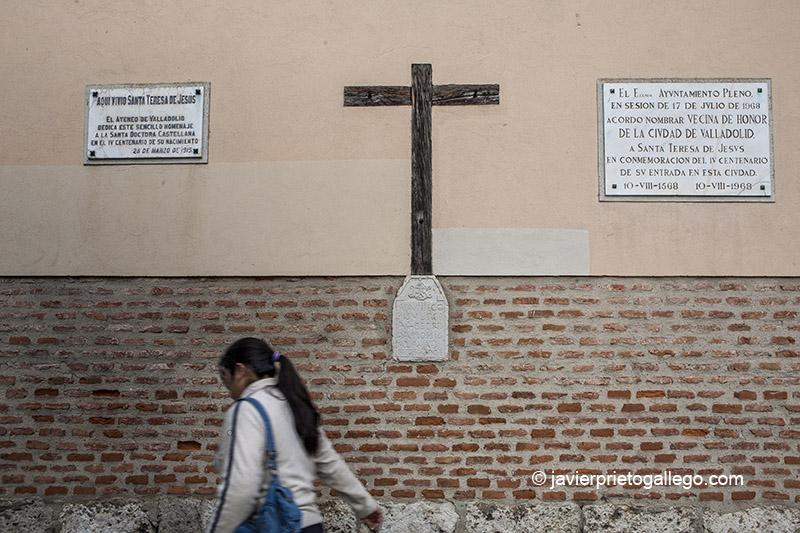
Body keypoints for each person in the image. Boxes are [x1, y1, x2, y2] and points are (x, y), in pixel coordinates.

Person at [207, 337, 384, 533]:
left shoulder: (246, 410)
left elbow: (241, 486)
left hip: (273, 525)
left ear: (240, 371)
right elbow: (330, 463)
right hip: (309, 525)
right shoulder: (295, 404)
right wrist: (366, 506)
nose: (229, 391)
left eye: (225, 378)